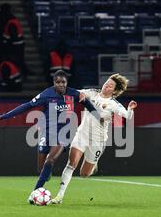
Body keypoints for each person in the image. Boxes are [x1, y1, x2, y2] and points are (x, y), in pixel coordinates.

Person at [0, 70, 100, 204]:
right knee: (41, 169)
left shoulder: (74, 94)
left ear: (67, 83)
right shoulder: (46, 94)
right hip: (46, 133)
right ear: (54, 83)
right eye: (57, 82)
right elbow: (27, 106)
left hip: (63, 134)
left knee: (50, 160)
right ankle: (46, 174)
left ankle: (34, 192)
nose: (60, 84)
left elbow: (89, 105)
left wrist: (100, 119)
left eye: (63, 82)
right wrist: (3, 117)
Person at [50, 73, 138, 205]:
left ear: (114, 91)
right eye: (106, 83)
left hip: (98, 140)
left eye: (110, 86)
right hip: (82, 134)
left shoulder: (113, 104)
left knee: (84, 174)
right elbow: (75, 93)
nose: (106, 85)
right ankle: (60, 196)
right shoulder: (92, 93)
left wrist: (130, 109)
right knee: (71, 164)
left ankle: (93, 166)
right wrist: (61, 90)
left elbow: (127, 116)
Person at [0, 3, 26, 75]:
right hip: (7, 42)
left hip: (5, 42)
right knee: (7, 58)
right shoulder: (10, 18)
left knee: (3, 57)